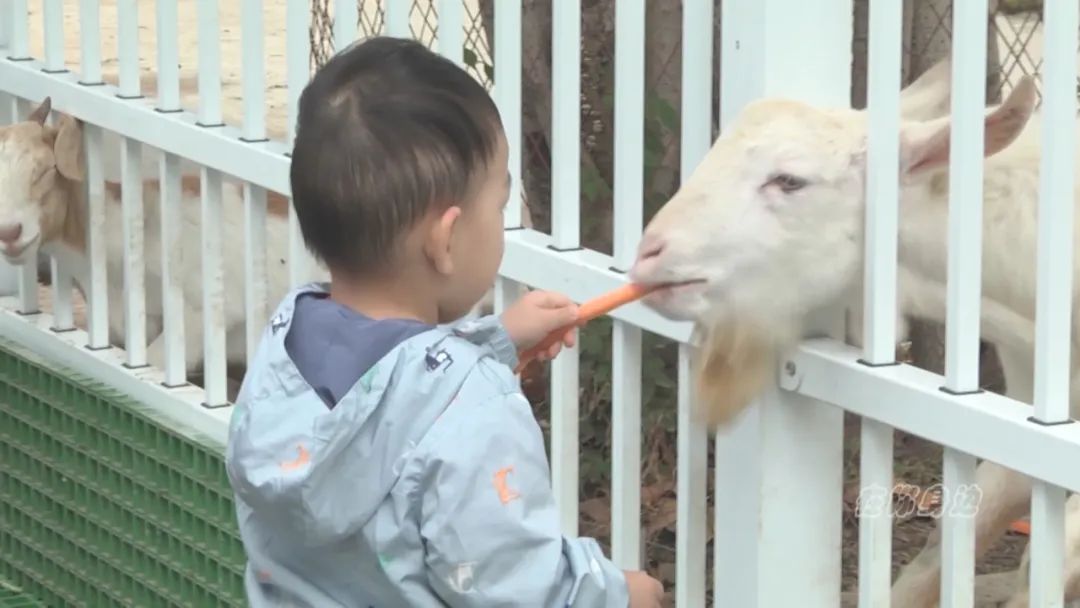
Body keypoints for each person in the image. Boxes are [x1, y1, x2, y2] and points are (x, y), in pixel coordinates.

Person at [224, 36, 665, 608]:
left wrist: (496, 340)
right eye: (499, 205)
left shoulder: (289, 340)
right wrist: (615, 593)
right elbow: (517, 590)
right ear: (447, 239)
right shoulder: (476, 413)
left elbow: (387, 390)